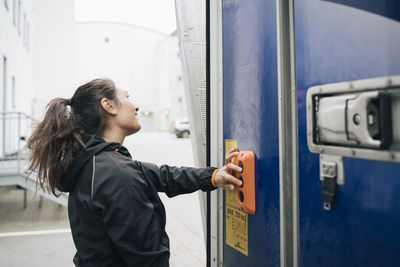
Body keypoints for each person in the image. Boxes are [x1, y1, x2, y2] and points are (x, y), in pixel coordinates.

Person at [27, 78, 242, 267]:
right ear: (108, 105)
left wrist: (214, 176)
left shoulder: (97, 162)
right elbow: (148, 259)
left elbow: (163, 175)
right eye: (127, 96)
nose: (136, 106)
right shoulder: (115, 175)